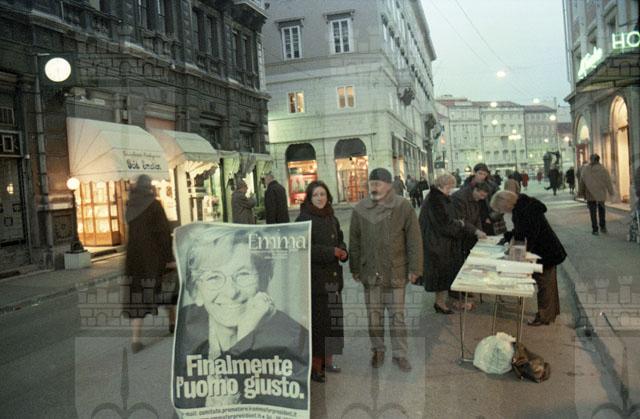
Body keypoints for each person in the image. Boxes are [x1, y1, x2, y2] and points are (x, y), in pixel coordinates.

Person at [173, 227, 309, 409]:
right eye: (214, 277)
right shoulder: (187, 324)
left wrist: (245, 339)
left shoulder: (294, 336)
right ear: (196, 290)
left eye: (243, 274)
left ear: (263, 280)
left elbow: (285, 408)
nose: (231, 292)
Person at [349, 168, 423, 372]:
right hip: (370, 273)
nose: (374, 187)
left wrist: (415, 268)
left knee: (397, 317)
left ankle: (400, 354)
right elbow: (354, 241)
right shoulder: (360, 209)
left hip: (396, 272)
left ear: (389, 185)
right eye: (371, 184)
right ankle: (378, 350)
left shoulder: (403, 206)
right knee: (374, 317)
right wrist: (355, 267)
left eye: (378, 184)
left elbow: (414, 240)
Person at [295, 181, 347, 383]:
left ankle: (329, 360)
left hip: (333, 279)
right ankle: (316, 366)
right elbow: (304, 248)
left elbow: (340, 239)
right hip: (316, 282)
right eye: (316, 195)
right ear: (309, 198)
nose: (319, 198)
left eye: (322, 194)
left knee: (334, 322)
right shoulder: (303, 219)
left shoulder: (331, 216)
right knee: (319, 325)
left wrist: (343, 250)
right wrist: (331, 252)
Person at [491, 191, 567, 326]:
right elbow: (521, 231)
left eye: (500, 208)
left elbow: (529, 234)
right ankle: (550, 314)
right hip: (545, 250)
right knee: (548, 284)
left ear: (505, 204)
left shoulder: (525, 210)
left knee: (545, 284)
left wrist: (522, 253)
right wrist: (509, 237)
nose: (501, 212)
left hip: (545, 251)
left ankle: (544, 317)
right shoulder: (523, 207)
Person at [123, 174, 174, 353]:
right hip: (154, 259)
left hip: (134, 260)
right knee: (166, 291)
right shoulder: (154, 205)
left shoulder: (130, 206)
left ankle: (135, 340)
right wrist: (169, 259)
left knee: (137, 299)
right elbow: (164, 234)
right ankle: (173, 323)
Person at [421, 174, 482, 314]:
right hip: (438, 243)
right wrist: (459, 225)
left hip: (438, 241)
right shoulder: (436, 200)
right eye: (450, 187)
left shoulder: (435, 197)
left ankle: (441, 302)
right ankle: (440, 304)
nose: (451, 190)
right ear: (445, 185)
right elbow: (444, 224)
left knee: (443, 274)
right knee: (442, 274)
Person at [578, 154, 615, 235]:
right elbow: (608, 181)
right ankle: (603, 227)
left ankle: (595, 229)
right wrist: (611, 191)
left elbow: (582, 181)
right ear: (598, 160)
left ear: (592, 160)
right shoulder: (603, 169)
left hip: (590, 193)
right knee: (601, 210)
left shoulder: (586, 169)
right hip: (600, 193)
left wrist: (581, 192)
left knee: (592, 212)